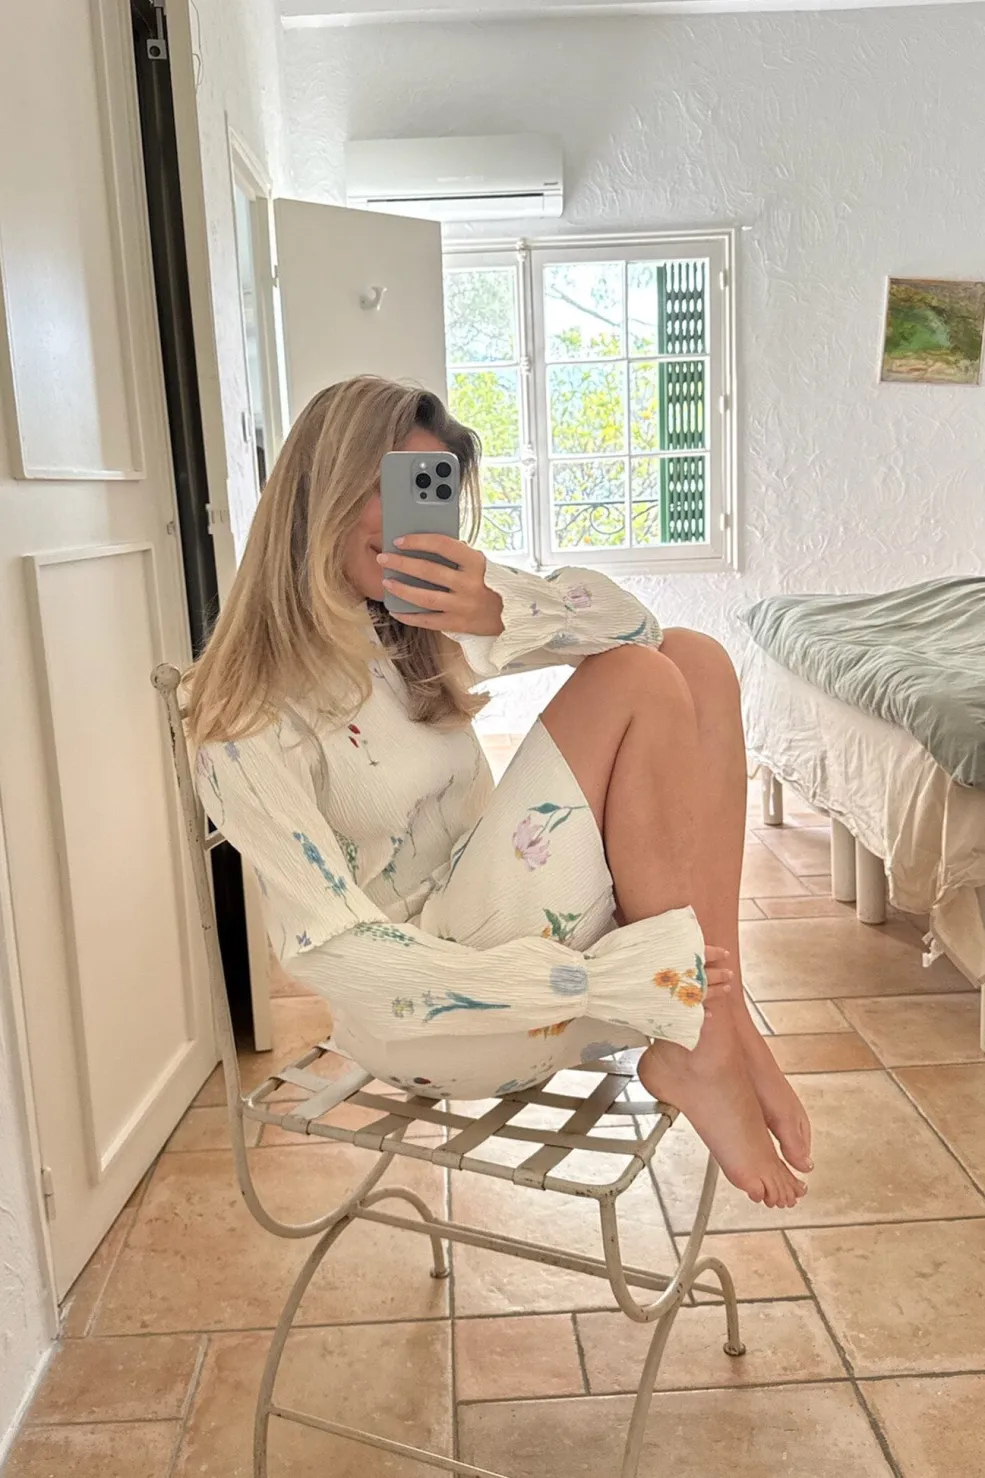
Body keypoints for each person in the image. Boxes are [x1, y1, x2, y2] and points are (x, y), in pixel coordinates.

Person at [186, 376, 811, 1209]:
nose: (407, 516)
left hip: (517, 936)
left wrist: (496, 606)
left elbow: (642, 627)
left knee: (693, 658)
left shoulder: (403, 633)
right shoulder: (242, 711)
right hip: (443, 1017)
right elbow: (334, 953)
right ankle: (696, 1028)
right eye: (381, 485)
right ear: (317, 491)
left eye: (426, 490)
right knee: (637, 680)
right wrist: (602, 983)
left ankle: (713, 1025)